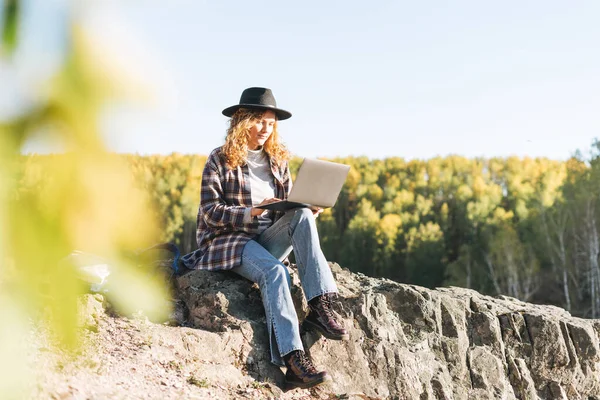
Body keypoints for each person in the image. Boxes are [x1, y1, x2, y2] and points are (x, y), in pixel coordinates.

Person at [181, 87, 348, 389]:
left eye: (270, 123)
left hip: (266, 240)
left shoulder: (278, 161)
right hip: (229, 242)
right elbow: (209, 211)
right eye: (259, 121)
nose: (264, 129)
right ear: (242, 121)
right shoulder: (219, 159)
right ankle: (294, 359)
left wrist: (308, 208)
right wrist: (252, 211)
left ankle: (321, 306)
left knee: (301, 215)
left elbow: (289, 208)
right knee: (275, 271)